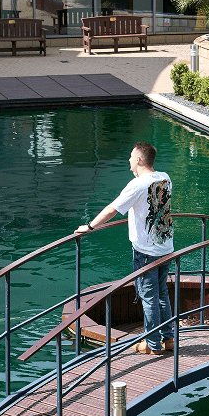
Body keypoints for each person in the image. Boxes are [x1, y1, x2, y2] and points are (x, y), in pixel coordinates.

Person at [75, 142, 174, 355]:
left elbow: (112, 209)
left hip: (146, 251)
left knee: (149, 297)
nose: (129, 160)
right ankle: (169, 338)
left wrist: (90, 226)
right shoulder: (165, 178)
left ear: (139, 159)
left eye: (131, 156)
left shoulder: (136, 185)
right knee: (162, 293)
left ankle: (152, 344)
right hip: (166, 247)